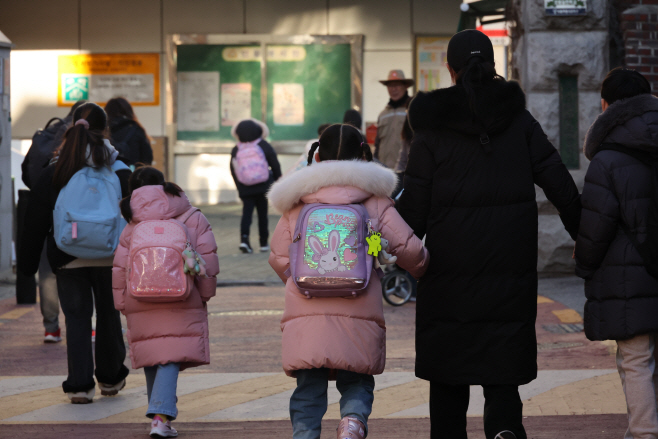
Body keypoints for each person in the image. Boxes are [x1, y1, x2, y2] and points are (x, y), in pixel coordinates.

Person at [398, 30, 581, 439]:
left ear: (450, 69)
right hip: (509, 269)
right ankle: (505, 432)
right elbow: (560, 184)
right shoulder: (519, 120)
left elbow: (412, 213)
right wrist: (587, 239)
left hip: (448, 275)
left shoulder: (430, 128)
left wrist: (389, 253)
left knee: (448, 377)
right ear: (493, 66)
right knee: (502, 372)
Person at [268, 123, 429, 439]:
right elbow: (409, 249)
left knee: (308, 381)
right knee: (357, 376)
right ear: (363, 154)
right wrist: (422, 268)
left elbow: (278, 257)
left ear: (317, 156)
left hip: (306, 307)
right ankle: (352, 423)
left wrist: (304, 280)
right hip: (359, 303)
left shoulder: (297, 202)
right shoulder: (375, 200)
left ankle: (304, 433)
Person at [18, 102, 130, 403]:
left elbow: (35, 222)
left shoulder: (57, 170)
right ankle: (110, 378)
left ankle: (80, 385)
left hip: (67, 256)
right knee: (108, 315)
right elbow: (135, 215)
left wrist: (27, 267)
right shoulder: (120, 169)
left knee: (77, 319)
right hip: (110, 255)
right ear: (105, 129)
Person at [574, 68, 658, 439]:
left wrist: (585, 265)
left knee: (637, 360)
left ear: (606, 106)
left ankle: (643, 432)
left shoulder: (607, 159)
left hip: (630, 276)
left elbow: (596, 226)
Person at [113, 166, 219, 438]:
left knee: (153, 353)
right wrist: (205, 292)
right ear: (165, 187)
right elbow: (207, 255)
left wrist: (120, 301)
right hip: (183, 294)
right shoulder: (192, 216)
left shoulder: (132, 219)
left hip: (138, 294)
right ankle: (160, 418)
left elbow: (119, 266)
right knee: (170, 354)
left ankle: (159, 417)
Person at [20, 99, 86, 343]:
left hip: (48, 217)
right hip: (79, 222)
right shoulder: (84, 136)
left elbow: (27, 171)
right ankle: (86, 324)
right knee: (83, 271)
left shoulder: (48, 134)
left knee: (47, 273)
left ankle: (51, 327)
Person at [230, 118, 282, 253]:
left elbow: (234, 169)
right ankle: (263, 243)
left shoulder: (237, 149)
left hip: (245, 188)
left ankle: (244, 240)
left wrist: (240, 187)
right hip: (263, 186)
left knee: (246, 214)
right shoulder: (263, 145)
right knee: (262, 214)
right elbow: (275, 164)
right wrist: (278, 182)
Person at [374, 70, 414, 169]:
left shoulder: (412, 110)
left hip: (406, 170)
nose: (393, 89)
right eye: (390, 86)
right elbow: (378, 145)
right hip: (384, 172)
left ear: (405, 86)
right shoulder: (382, 114)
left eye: (397, 85)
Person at [105, 97, 153, 167]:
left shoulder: (102, 131)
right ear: (129, 111)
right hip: (131, 173)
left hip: (107, 175)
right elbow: (147, 158)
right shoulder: (136, 129)